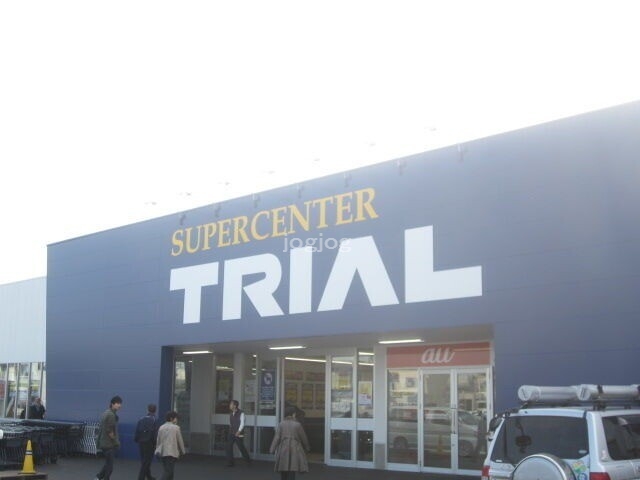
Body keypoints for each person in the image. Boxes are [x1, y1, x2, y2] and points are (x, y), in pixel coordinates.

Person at [270, 406, 310, 480]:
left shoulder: (281, 424)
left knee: (283, 466)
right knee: (292, 468)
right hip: (294, 447)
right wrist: (307, 447)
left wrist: (272, 449)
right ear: (293, 414)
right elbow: (303, 437)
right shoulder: (297, 425)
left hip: (283, 447)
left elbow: (277, 438)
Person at [95, 395, 123, 480]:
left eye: (120, 403)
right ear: (112, 404)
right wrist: (116, 442)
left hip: (104, 443)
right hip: (108, 444)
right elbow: (110, 431)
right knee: (110, 467)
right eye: (117, 403)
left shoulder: (106, 412)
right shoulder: (111, 415)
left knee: (107, 464)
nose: (119, 405)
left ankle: (98, 477)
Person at [154, 411, 185, 480]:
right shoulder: (176, 428)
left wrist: (157, 449)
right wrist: (183, 451)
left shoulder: (161, 427)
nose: (177, 420)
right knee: (168, 471)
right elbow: (180, 441)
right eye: (176, 418)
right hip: (172, 453)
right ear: (171, 418)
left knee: (168, 470)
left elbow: (158, 440)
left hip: (163, 452)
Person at [134, 403, 159, 480]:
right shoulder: (154, 420)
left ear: (147, 410)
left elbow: (137, 430)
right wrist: (156, 443)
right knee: (147, 462)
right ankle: (140, 478)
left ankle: (149, 476)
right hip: (149, 443)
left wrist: (136, 439)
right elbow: (155, 433)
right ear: (155, 411)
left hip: (141, 442)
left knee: (144, 460)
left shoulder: (141, 419)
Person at [226, 399, 251, 467]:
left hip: (239, 433)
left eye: (231, 404)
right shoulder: (231, 413)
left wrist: (239, 431)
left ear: (235, 406)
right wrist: (230, 430)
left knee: (241, 447)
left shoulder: (241, 413)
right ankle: (230, 462)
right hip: (231, 432)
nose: (230, 405)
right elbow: (231, 423)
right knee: (229, 446)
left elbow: (242, 423)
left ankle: (248, 460)